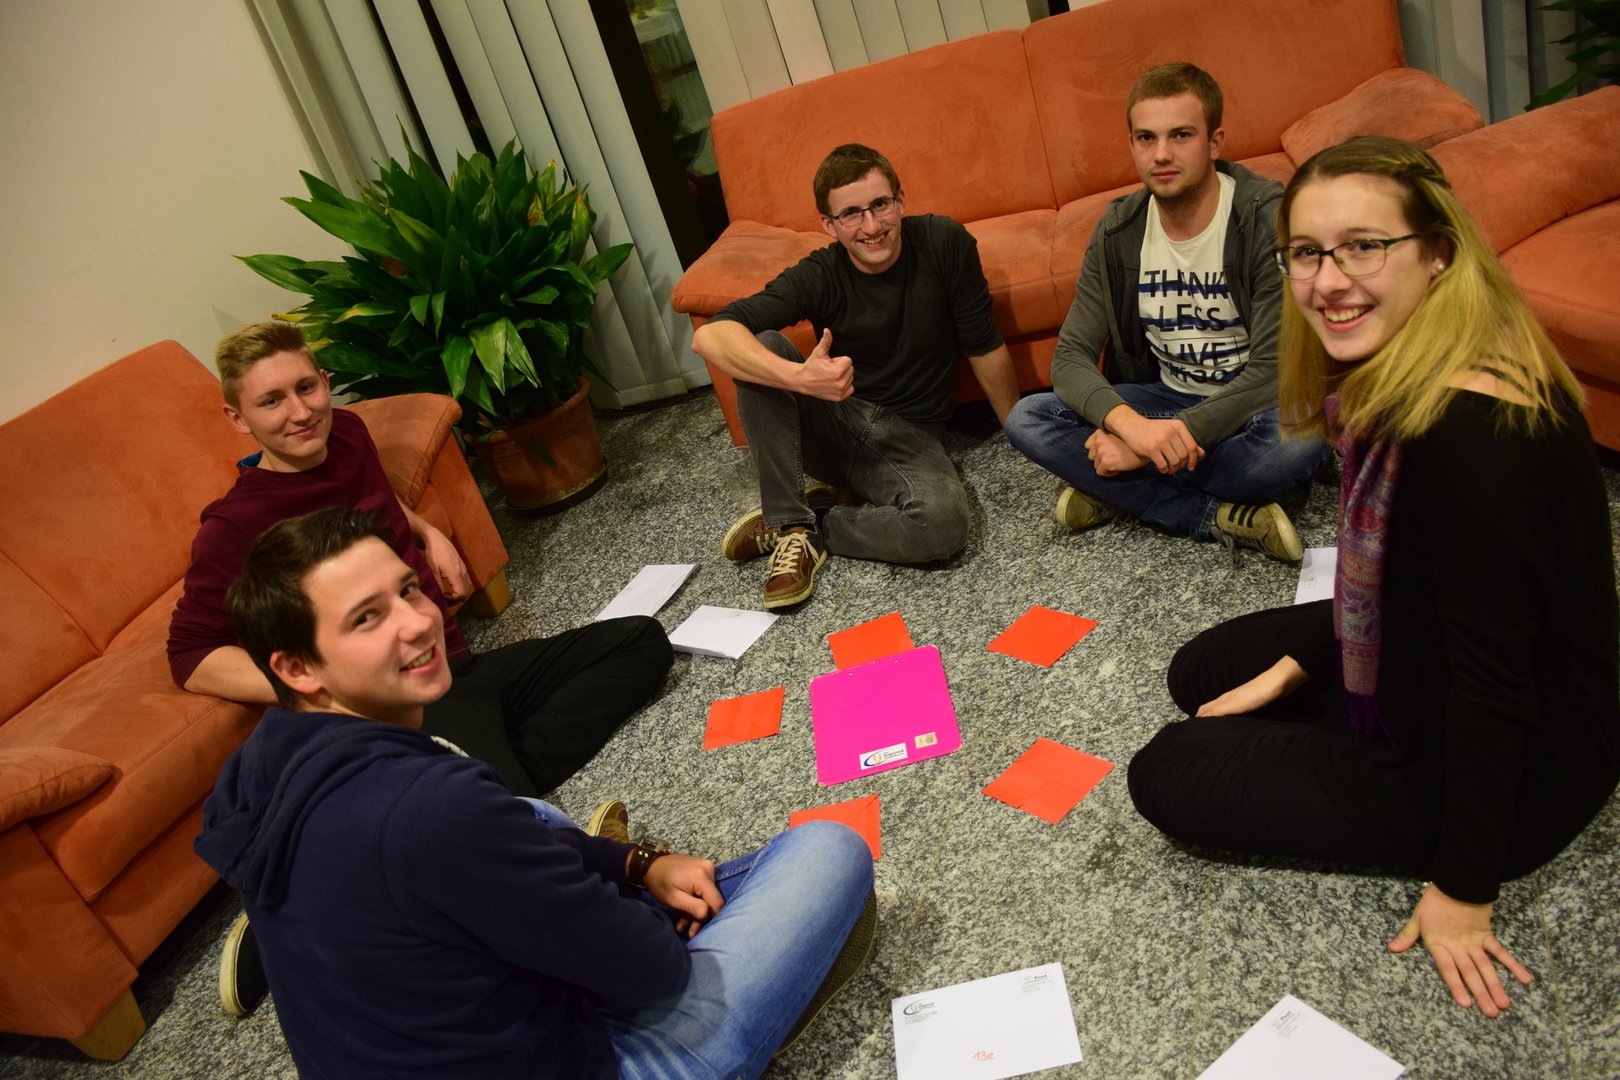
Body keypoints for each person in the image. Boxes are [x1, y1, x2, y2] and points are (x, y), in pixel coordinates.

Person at [1127, 136, 1619, 1018]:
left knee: (1167, 770)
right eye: (1308, 252)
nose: (1329, 280)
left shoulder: (1463, 448)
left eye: (1364, 246)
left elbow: (1493, 688)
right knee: (1202, 668)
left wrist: (1464, 889)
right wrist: (1305, 665)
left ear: (1437, 252)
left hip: (1524, 758)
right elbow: (1406, 583)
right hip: (1443, 650)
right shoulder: (1436, 358)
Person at [195, 507, 876, 1079]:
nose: (417, 622)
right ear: (297, 667)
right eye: (367, 618)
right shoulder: (431, 807)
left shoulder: (253, 771)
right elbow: (652, 971)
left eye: (408, 590)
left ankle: (569, 891)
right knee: (827, 850)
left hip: (433, 996)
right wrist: (626, 917)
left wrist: (633, 862)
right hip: (581, 1052)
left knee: (527, 814)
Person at [169, 320, 673, 1014]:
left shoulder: (347, 434)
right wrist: (326, 687)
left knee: (640, 642)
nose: (301, 412)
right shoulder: (233, 526)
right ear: (238, 418)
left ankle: (342, 868)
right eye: (272, 401)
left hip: (451, 670)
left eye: (307, 387)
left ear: (324, 382)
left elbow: (376, 508)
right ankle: (300, 904)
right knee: (474, 817)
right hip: (388, 702)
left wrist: (428, 532)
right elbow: (190, 655)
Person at [1005, 63, 1329, 561]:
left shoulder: (1264, 218)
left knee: (1301, 440)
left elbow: (1272, 372)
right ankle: (1209, 514)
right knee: (1028, 418)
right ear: (1131, 143)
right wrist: (1134, 429)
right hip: (1165, 399)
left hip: (1252, 408)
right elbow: (1069, 357)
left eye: (1181, 135)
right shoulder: (1118, 231)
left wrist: (1139, 450)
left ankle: (1121, 488)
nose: (1161, 154)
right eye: (1146, 138)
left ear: (1215, 142)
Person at [692, 143, 1018, 609]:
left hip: (908, 439)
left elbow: (983, 344)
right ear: (829, 224)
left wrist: (1017, 431)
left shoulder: (945, 243)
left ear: (900, 200)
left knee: (942, 525)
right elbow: (711, 336)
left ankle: (811, 524)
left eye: (880, 205)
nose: (871, 226)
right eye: (850, 214)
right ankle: (791, 523)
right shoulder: (820, 274)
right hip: (836, 419)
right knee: (765, 344)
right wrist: (801, 378)